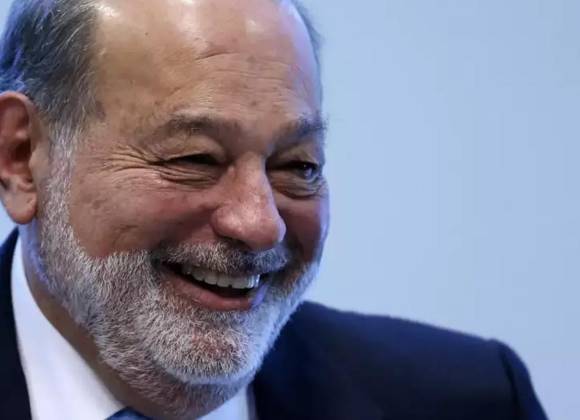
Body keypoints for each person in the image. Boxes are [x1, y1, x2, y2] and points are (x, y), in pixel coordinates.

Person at [0, 0, 547, 419]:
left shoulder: (470, 401)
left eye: (297, 166)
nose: (260, 223)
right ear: (21, 157)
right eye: (195, 158)